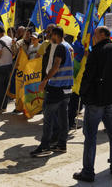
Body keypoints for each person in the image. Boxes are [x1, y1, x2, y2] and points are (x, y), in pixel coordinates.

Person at [74, 26, 112, 182]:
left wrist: (82, 93)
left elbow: (88, 76)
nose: (93, 37)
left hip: (95, 99)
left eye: (95, 34)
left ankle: (88, 172)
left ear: (102, 35)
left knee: (90, 136)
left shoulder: (96, 51)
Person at [31, 27, 74, 157]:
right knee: (63, 118)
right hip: (66, 88)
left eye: (50, 34)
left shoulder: (60, 47)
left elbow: (56, 66)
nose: (49, 37)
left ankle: (44, 146)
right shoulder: (68, 46)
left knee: (48, 118)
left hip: (56, 88)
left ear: (56, 35)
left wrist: (45, 80)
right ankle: (61, 144)